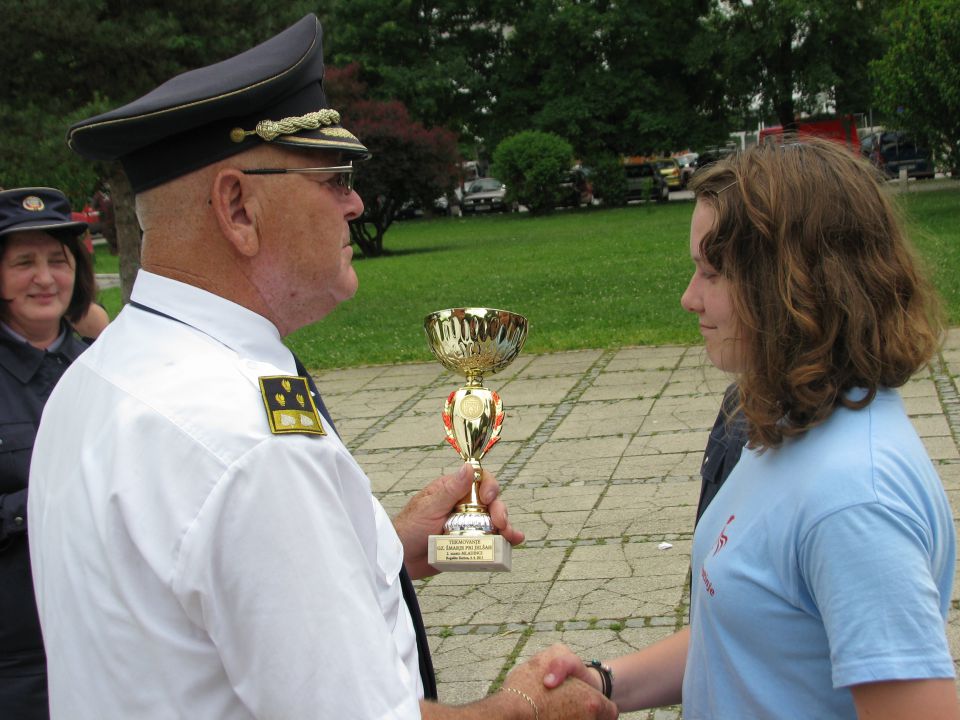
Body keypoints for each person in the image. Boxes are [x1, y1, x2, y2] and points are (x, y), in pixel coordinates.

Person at [26, 15, 616, 720]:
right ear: (237, 206)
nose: (356, 203)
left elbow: (202, 600)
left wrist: (385, 548)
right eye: (334, 179)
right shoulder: (245, 439)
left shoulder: (101, 374)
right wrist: (523, 709)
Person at [543, 138, 959, 719]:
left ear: (793, 287)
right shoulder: (792, 422)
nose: (690, 298)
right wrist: (605, 684)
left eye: (711, 273)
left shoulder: (855, 501)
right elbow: (753, 632)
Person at [0, 186, 97, 720]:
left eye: (57, 261)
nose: (44, 278)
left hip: (107, 637)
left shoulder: (106, 367)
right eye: (23, 263)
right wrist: (40, 504)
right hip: (19, 661)